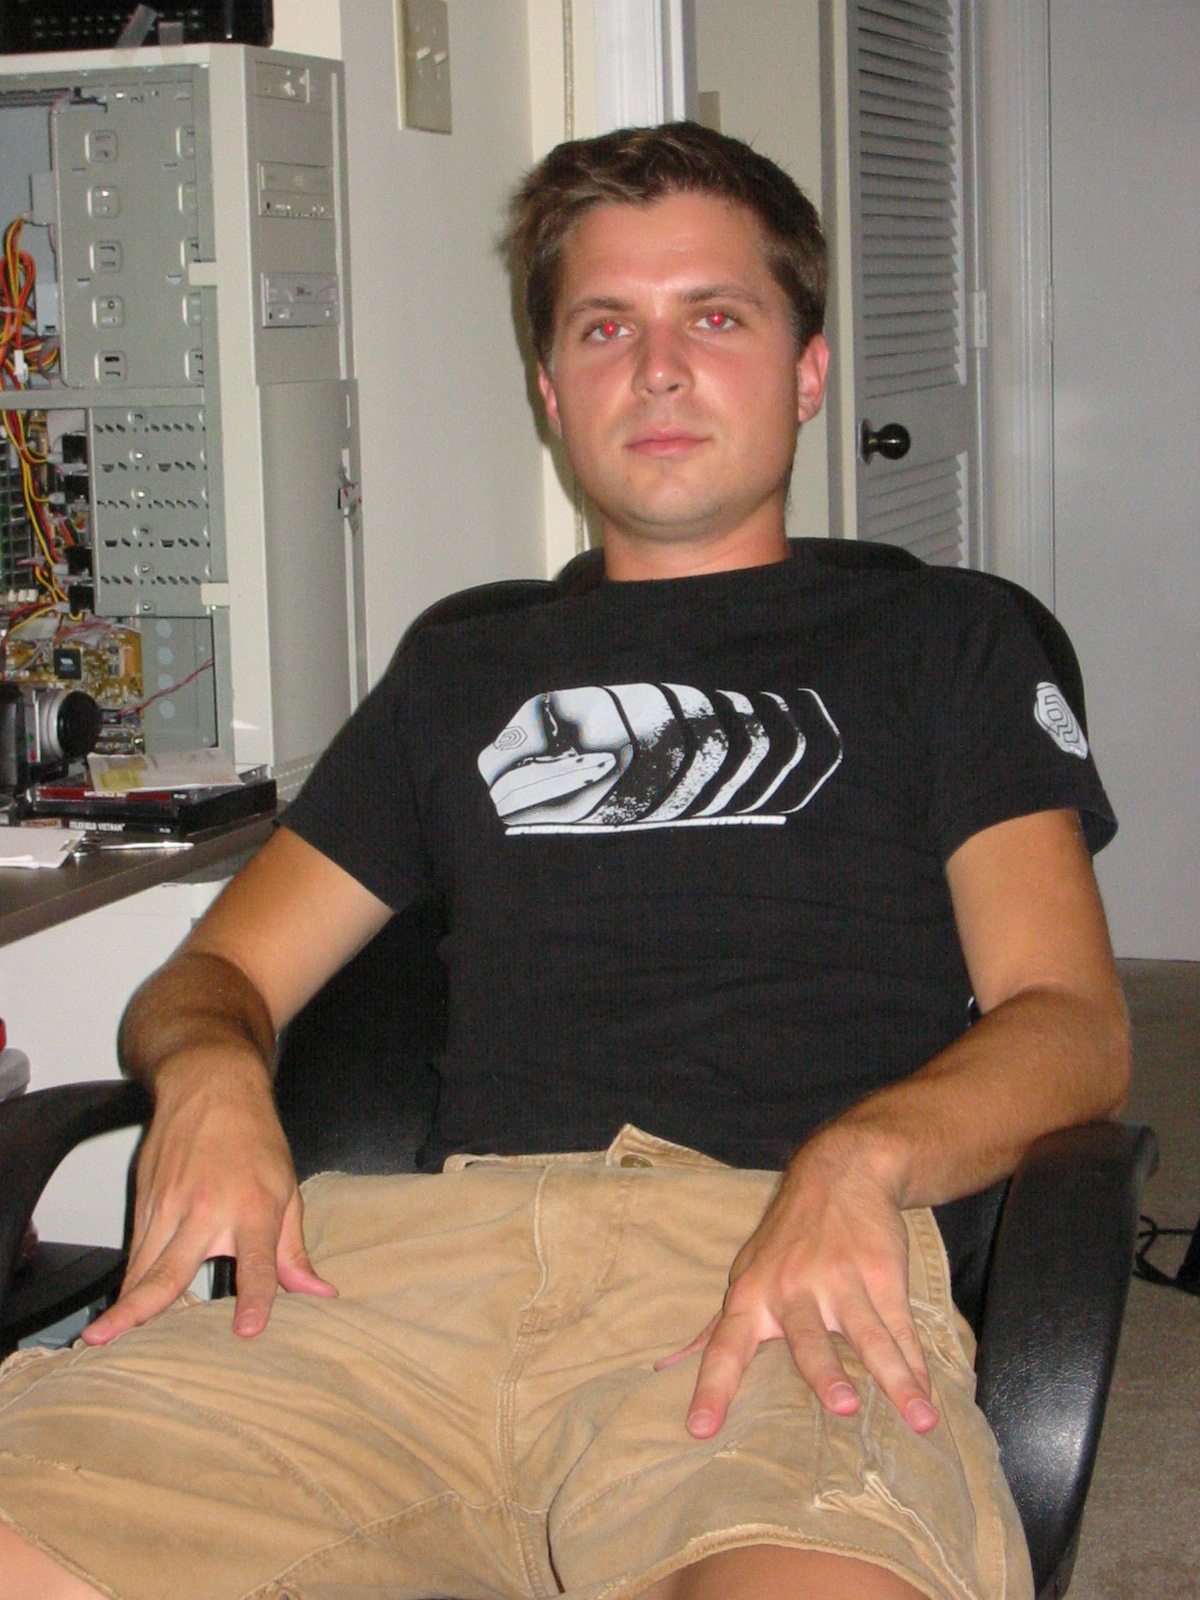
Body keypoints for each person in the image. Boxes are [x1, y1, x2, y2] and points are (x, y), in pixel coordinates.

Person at [0, 123, 1129, 1600]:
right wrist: (210, 1069)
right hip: (396, 1305)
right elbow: (216, 974)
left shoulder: (946, 642)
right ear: (550, 391)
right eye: (605, 327)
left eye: (713, 318)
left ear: (806, 372)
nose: (656, 369)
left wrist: (860, 1160)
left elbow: (1072, 1022)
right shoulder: (460, 676)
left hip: (774, 1284)